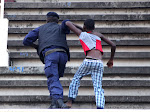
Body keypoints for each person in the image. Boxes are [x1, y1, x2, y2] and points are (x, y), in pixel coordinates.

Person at [23, 12, 70, 109]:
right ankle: (53, 104)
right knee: (54, 78)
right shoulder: (60, 27)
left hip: (50, 54)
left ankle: (59, 101)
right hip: (63, 55)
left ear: (47, 19)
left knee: (53, 77)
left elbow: (26, 40)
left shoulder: (40, 29)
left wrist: (37, 47)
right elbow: (67, 26)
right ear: (57, 20)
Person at [65, 19, 116, 109]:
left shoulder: (82, 34)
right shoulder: (98, 35)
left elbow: (67, 23)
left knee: (76, 78)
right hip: (99, 62)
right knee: (98, 86)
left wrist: (78, 26)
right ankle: (100, 106)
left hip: (88, 60)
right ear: (94, 27)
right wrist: (111, 60)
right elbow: (113, 45)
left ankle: (70, 100)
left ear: (84, 27)